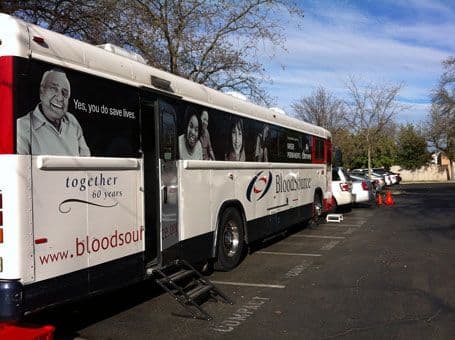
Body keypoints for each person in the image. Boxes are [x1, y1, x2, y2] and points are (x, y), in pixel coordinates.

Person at [17, 68, 90, 156]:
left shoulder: (72, 121)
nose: (60, 98)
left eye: (65, 93)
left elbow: (86, 159)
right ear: (41, 92)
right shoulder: (22, 127)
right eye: (53, 89)